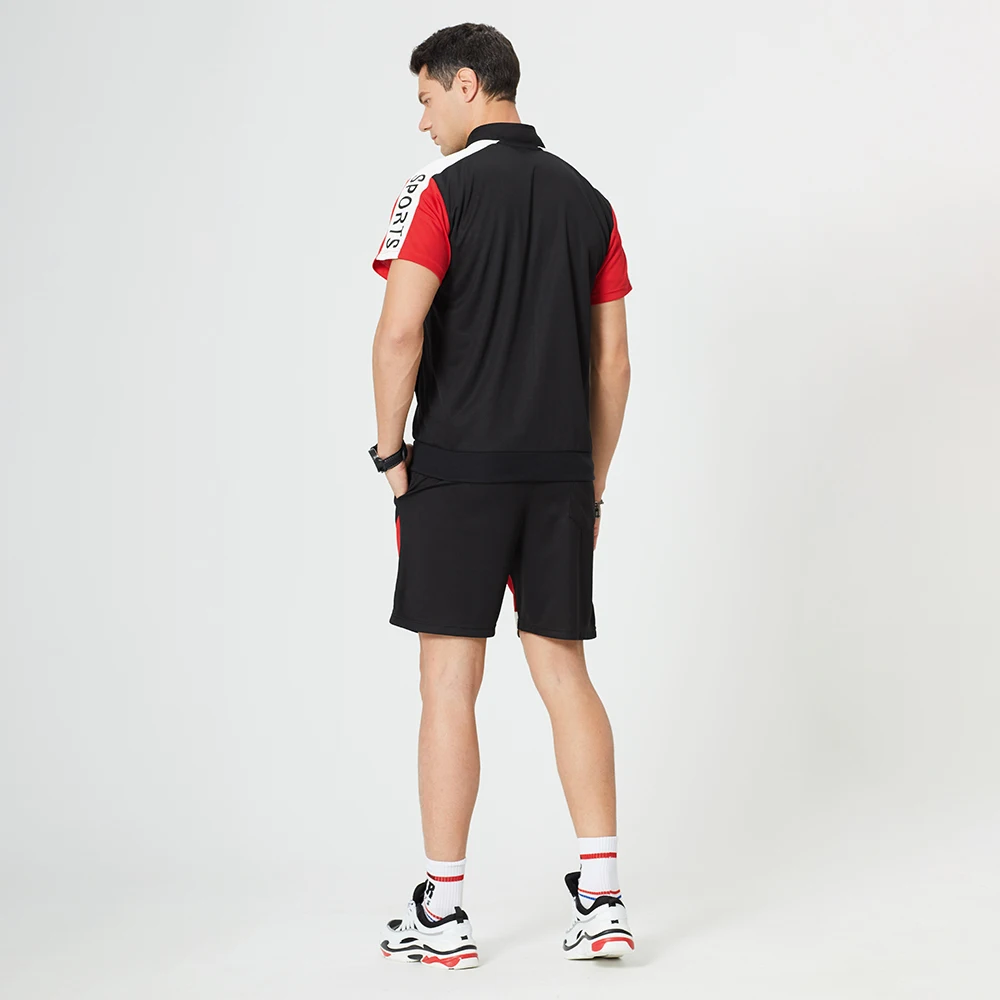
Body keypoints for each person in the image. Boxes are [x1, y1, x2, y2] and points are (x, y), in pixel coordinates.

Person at [369, 22, 634, 969]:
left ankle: (443, 915)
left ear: (468, 85)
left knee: (449, 682)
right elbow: (613, 364)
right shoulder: (589, 202)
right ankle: (603, 899)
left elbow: (398, 334)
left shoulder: (438, 192)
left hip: (457, 473)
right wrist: (589, 486)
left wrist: (390, 458)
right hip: (559, 473)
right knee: (565, 673)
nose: (422, 121)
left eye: (426, 98)